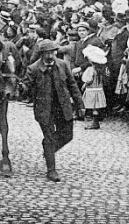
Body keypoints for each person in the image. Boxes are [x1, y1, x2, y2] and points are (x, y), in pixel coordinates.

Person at [23, 40, 85, 182]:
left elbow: (72, 85)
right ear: (42, 54)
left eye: (53, 52)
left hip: (62, 107)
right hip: (44, 109)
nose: (50, 55)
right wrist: (23, 88)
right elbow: (26, 85)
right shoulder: (33, 69)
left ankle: (48, 149)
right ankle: (51, 170)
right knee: (49, 137)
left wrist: (80, 105)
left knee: (67, 135)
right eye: (47, 53)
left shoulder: (62, 65)